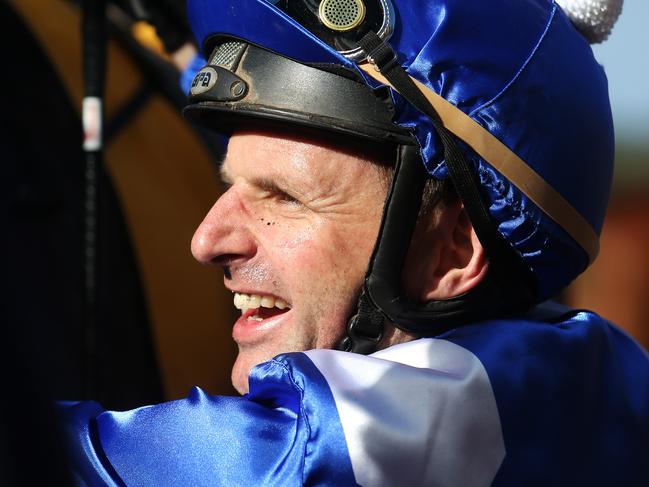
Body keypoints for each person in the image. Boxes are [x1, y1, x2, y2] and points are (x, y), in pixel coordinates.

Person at [59, 0, 649, 485]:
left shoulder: (317, 450)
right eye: (232, 184)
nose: (206, 240)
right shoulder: (601, 375)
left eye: (283, 199)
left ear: (454, 253)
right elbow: (339, 174)